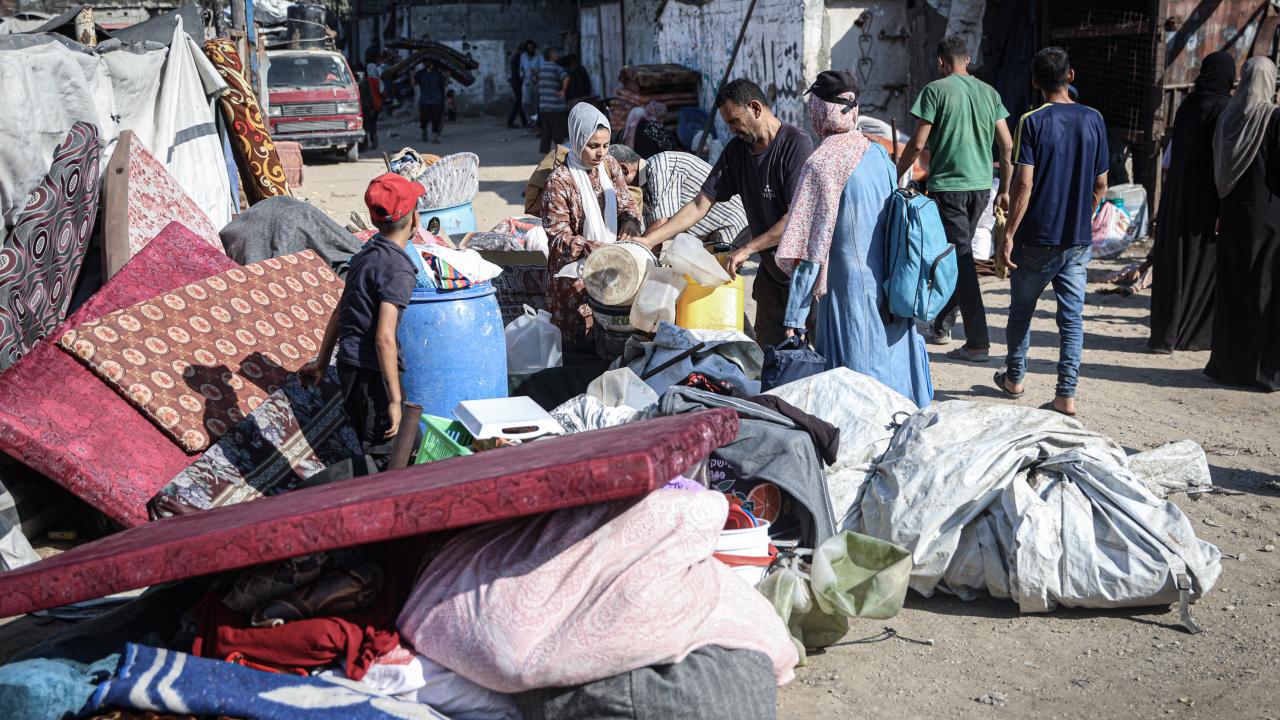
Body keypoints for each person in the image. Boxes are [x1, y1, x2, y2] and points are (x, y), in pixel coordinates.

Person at [775, 71, 933, 407]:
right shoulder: (877, 154)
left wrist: (794, 317)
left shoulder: (821, 164)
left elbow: (809, 249)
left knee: (855, 387)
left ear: (820, 110)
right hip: (891, 285)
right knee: (893, 373)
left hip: (847, 293)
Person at [639, 79, 815, 347]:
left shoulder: (796, 144)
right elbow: (700, 204)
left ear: (755, 108)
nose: (732, 129)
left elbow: (795, 218)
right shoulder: (737, 152)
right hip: (771, 275)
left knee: (815, 353)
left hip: (804, 274)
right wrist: (648, 240)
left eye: (734, 121)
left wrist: (747, 249)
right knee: (768, 352)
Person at [996, 47, 1109, 417]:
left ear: (1035, 82)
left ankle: (1014, 379)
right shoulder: (1094, 119)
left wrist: (1008, 234)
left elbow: (1024, 185)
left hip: (1036, 238)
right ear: (1070, 76)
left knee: (1021, 312)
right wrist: (1083, 213)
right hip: (1077, 240)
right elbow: (1101, 183)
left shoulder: (1031, 121)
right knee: (1072, 319)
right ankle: (1066, 395)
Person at [897, 36, 1013, 362]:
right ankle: (942, 325)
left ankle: (977, 342)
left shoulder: (935, 91)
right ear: (968, 60)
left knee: (960, 260)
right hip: (981, 189)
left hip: (949, 188)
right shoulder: (989, 93)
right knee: (955, 257)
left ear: (940, 63)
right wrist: (1004, 188)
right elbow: (1006, 146)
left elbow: (918, 144)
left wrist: (895, 173)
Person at [301, 173, 421, 469]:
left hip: (350, 367)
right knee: (390, 454)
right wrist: (394, 400)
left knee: (405, 440)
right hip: (373, 375)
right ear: (415, 219)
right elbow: (384, 338)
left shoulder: (365, 254)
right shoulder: (399, 269)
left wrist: (321, 362)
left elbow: (339, 312)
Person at [1149, 51, 1236, 354]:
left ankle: (1167, 333)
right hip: (1207, 199)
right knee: (1203, 265)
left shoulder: (1187, 106)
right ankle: (1192, 335)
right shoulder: (1225, 109)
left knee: (1176, 263)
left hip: (1177, 197)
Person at [1205, 56, 1280, 391]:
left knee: (1234, 289)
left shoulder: (1228, 117)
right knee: (1264, 290)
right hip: (1269, 218)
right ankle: (1262, 371)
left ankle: (1228, 366)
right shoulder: (1273, 118)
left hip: (1233, 215)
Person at [542, 103, 643, 346]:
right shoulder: (559, 181)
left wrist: (630, 221)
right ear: (577, 141)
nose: (600, 153)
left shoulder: (610, 166)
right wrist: (594, 249)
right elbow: (558, 238)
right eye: (593, 146)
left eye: (606, 146)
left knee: (614, 336)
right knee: (578, 346)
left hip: (611, 266)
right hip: (574, 276)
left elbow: (626, 202)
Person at [609, 145, 748, 248]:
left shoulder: (660, 167)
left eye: (614, 180)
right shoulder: (647, 182)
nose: (617, 187)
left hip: (730, 223)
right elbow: (657, 234)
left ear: (624, 169)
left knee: (720, 276)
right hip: (715, 230)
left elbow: (661, 222)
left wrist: (635, 250)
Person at [537, 48, 570, 154]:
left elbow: (536, 81)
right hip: (556, 106)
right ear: (551, 55)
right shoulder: (557, 67)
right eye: (555, 53)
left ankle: (545, 155)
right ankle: (558, 154)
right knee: (558, 131)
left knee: (546, 131)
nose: (557, 55)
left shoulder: (541, 68)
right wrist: (563, 91)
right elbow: (566, 78)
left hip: (543, 105)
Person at [414, 60, 447, 143]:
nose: (427, 63)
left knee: (436, 118)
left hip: (437, 99)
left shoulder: (438, 74)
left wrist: (447, 75)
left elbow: (444, 84)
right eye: (426, 61)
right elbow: (414, 83)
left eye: (429, 61)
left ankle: (435, 136)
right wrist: (411, 75)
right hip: (424, 99)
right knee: (424, 118)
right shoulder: (420, 73)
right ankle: (424, 130)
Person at [507, 41, 530, 129]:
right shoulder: (519, 58)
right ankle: (511, 121)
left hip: (515, 82)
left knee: (519, 102)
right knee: (518, 102)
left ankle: (524, 121)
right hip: (518, 82)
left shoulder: (516, 57)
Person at [359, 68, 382, 150]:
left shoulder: (365, 83)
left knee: (365, 125)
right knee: (373, 124)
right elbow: (383, 93)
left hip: (367, 106)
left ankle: (365, 144)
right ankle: (374, 140)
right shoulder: (378, 81)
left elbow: (364, 95)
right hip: (376, 105)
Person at [521, 40, 542, 131]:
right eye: (528, 48)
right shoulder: (523, 56)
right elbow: (521, 69)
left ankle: (536, 123)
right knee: (526, 102)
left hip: (537, 82)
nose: (530, 49)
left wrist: (536, 72)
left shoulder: (539, 55)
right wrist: (522, 76)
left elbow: (543, 67)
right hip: (526, 82)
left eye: (532, 48)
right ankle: (530, 120)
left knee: (536, 104)